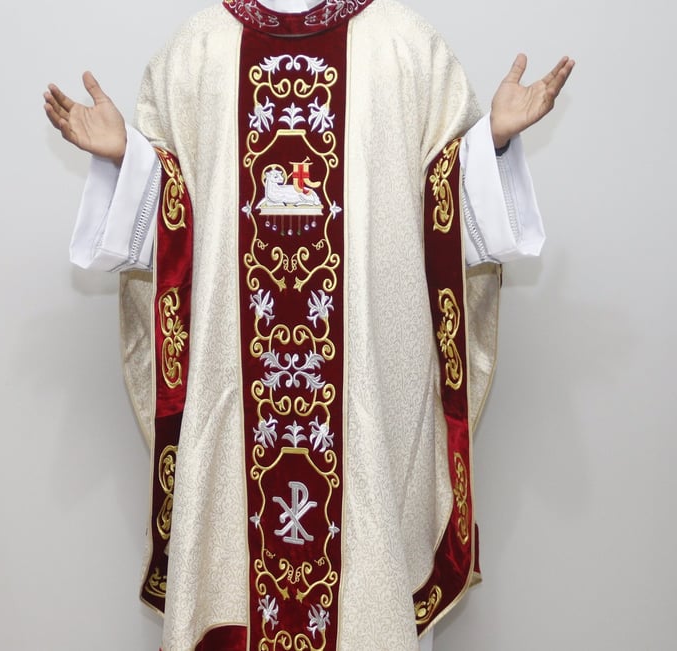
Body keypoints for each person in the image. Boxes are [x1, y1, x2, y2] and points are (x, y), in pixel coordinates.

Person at [44, 1, 573, 650]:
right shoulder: (199, 49)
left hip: (365, 402)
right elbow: (179, 222)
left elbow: (442, 206)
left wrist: (491, 146)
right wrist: (127, 161)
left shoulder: (403, 43)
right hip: (236, 397)